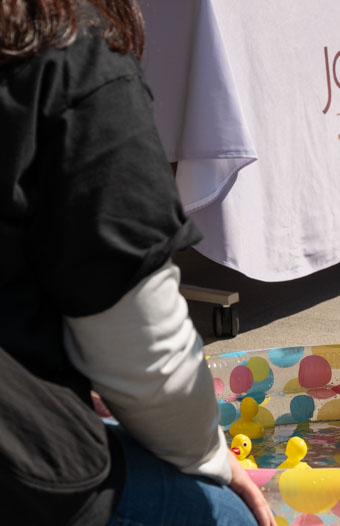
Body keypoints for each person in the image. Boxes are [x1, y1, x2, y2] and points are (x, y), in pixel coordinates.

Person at [0, 1, 275, 524]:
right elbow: (146, 356)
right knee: (227, 512)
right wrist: (210, 457)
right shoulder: (63, 45)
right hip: (19, 469)